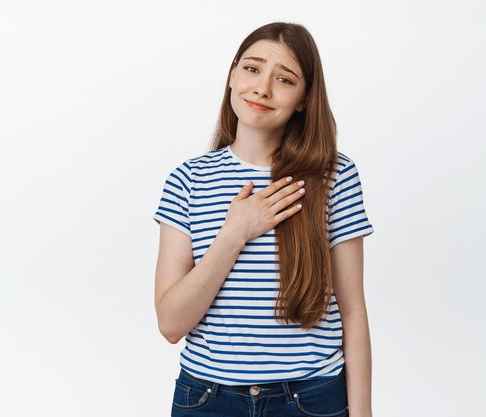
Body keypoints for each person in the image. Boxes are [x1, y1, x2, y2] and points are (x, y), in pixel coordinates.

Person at [152, 21, 375, 417]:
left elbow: (353, 311)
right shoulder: (188, 180)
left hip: (310, 400)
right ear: (232, 74)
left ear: (305, 97)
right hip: (207, 400)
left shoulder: (334, 175)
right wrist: (235, 232)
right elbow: (171, 324)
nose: (262, 88)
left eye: (285, 79)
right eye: (252, 69)